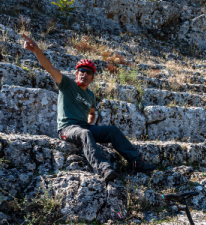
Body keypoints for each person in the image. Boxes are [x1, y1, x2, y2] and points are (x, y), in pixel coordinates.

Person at [22, 34, 155, 181]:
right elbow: (50, 68)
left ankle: (135, 162)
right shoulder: (67, 85)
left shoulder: (90, 95)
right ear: (76, 73)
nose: (85, 74)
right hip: (67, 129)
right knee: (84, 133)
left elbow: (92, 113)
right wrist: (37, 51)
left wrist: (89, 122)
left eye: (88, 72)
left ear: (92, 78)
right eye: (82, 71)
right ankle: (104, 169)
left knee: (113, 130)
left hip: (84, 126)